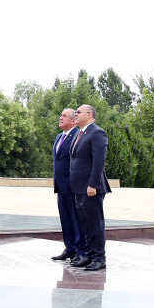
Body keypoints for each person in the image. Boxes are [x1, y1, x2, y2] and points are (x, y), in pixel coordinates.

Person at [68, 104, 111, 270]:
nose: (75, 114)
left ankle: (99, 258)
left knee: (95, 224)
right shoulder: (80, 133)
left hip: (91, 188)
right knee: (85, 224)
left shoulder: (97, 133)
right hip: (78, 188)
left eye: (78, 112)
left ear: (90, 114)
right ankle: (90, 255)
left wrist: (92, 184)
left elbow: (99, 161)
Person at [51, 108, 86, 262]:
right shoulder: (59, 137)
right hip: (60, 185)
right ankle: (70, 248)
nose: (60, 118)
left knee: (76, 219)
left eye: (64, 116)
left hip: (72, 185)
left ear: (73, 120)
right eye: (61, 115)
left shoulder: (76, 136)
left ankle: (80, 250)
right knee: (65, 218)